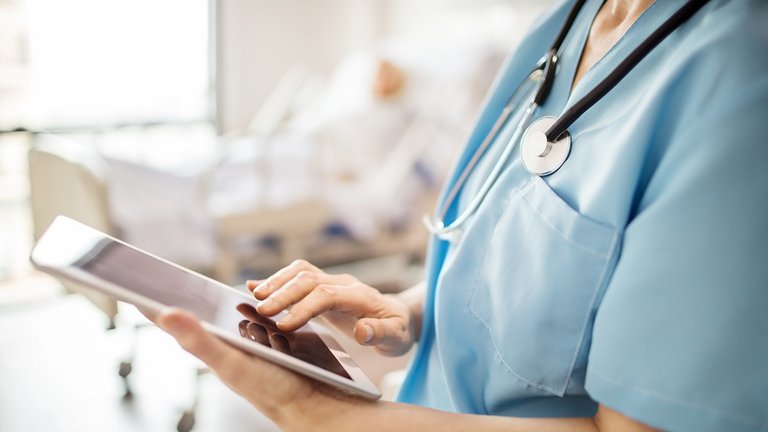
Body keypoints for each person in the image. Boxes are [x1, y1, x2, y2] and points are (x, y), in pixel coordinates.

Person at [155, 0, 768, 430]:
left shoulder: (740, 76)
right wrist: (410, 309)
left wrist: (315, 414)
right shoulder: (565, 24)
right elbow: (524, 237)